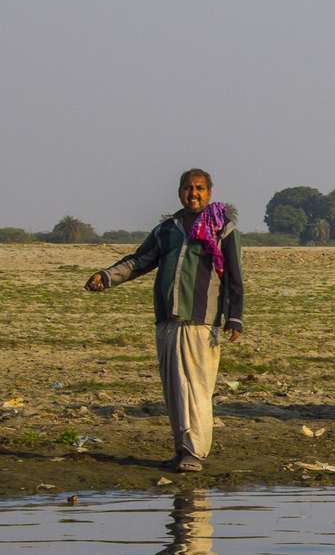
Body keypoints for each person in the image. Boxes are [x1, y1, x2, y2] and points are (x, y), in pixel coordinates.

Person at [86, 168, 243, 472]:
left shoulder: (222, 228)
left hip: (201, 322)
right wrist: (107, 277)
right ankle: (181, 448)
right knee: (174, 389)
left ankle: (194, 453)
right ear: (179, 192)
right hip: (167, 322)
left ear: (209, 192)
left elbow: (234, 278)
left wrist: (234, 318)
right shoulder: (167, 230)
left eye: (199, 188)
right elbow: (140, 260)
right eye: (187, 188)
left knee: (195, 388)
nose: (193, 194)